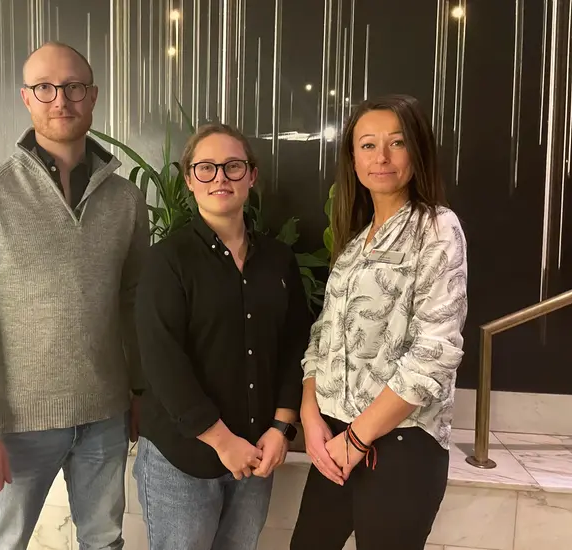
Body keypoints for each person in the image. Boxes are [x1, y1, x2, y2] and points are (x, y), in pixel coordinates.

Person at [0, 41, 148, 550]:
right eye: (45, 88)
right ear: (26, 98)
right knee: (3, 545)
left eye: (73, 86)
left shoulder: (126, 199)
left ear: (92, 96)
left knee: (105, 542)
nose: (61, 100)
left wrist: (140, 391)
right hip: (16, 424)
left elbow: (134, 304)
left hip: (105, 415)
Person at [290, 95, 468, 550]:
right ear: (353, 158)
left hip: (401, 444)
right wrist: (310, 413)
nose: (381, 157)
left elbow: (435, 353)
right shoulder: (355, 243)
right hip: (334, 434)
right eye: (367, 145)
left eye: (397, 143)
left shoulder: (437, 227)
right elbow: (322, 335)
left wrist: (356, 439)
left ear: (417, 151)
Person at [133, 123, 311, 550]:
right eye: (206, 168)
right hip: (183, 459)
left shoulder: (278, 260)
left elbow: (296, 346)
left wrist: (281, 428)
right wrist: (221, 441)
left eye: (233, 166)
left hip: (256, 453)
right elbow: (161, 361)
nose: (220, 178)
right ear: (189, 179)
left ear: (251, 175)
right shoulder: (167, 260)